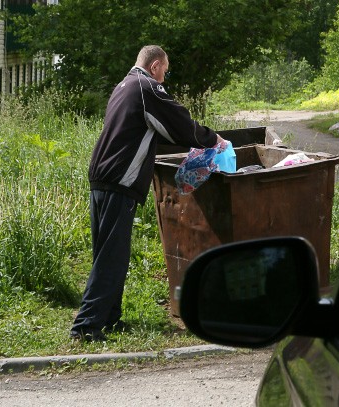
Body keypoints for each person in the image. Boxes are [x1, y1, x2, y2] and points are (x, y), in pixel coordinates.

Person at [70, 45, 226, 342]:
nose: (164, 79)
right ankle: (86, 327)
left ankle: (109, 318)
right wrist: (212, 139)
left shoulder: (123, 85)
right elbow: (179, 125)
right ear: (155, 66)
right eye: (165, 71)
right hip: (121, 180)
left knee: (107, 252)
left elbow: (149, 130)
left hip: (101, 175)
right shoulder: (148, 88)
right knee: (112, 256)